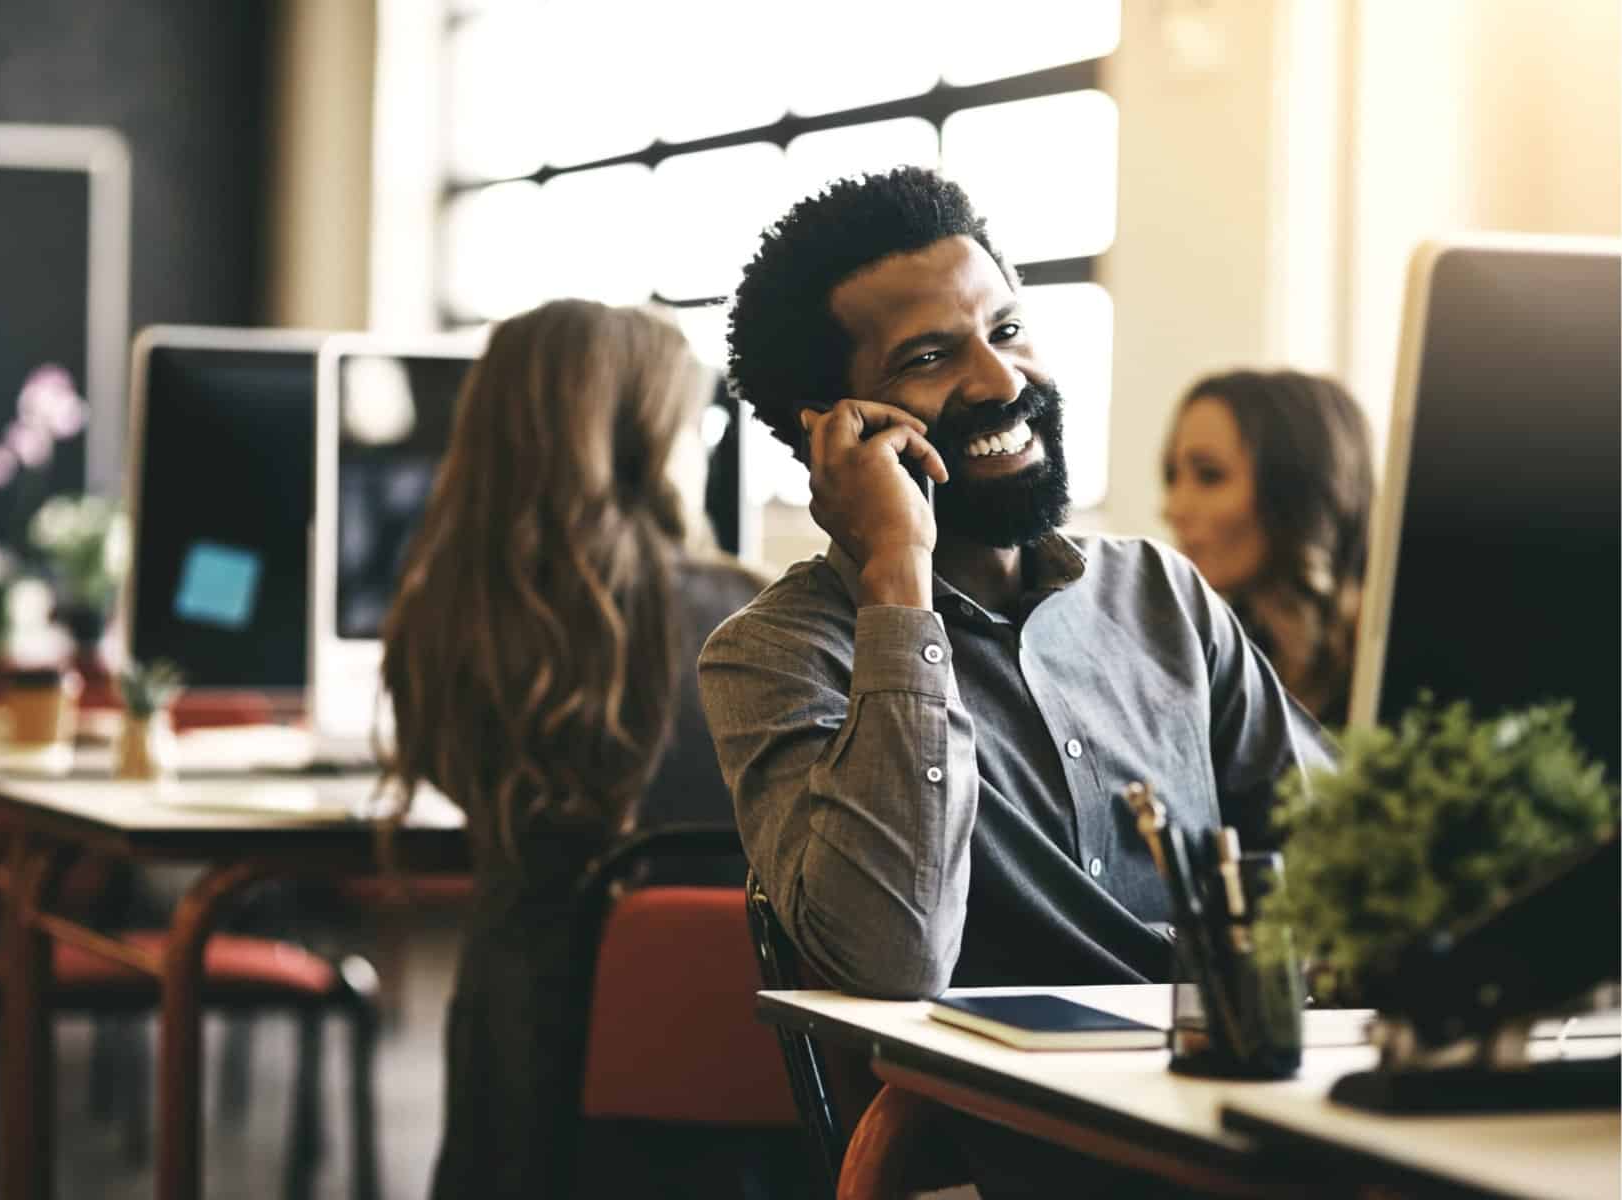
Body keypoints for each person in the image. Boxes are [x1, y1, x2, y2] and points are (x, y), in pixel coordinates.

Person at [698, 165, 1333, 1007]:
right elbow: (890, 958)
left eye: (1005, 329)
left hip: (1231, 1083)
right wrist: (896, 578)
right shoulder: (775, 654)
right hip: (1013, 1127)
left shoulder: (1158, 593)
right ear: (833, 431)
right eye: (928, 356)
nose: (999, 381)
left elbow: (1352, 849)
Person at [379, 298, 765, 1199]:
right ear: (639, 435)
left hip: (521, 1037)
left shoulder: (444, 619)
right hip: (723, 1051)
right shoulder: (745, 620)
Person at [1162, 370, 1375, 726]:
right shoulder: (1207, 655)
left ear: (1297, 491)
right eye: (1173, 476)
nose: (1172, 509)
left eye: (1209, 475)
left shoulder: (1386, 658)